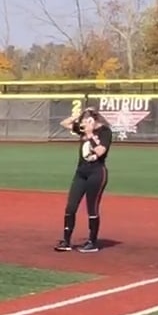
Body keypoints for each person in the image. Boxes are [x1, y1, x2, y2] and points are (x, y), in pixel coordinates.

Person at [56, 106, 111, 253]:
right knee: (71, 206)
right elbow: (64, 123)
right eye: (83, 121)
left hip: (97, 173)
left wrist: (90, 133)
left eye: (87, 121)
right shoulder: (83, 129)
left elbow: (100, 151)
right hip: (81, 172)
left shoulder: (105, 132)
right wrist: (78, 116)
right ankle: (66, 241)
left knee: (92, 208)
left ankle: (92, 242)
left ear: (94, 120)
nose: (83, 124)